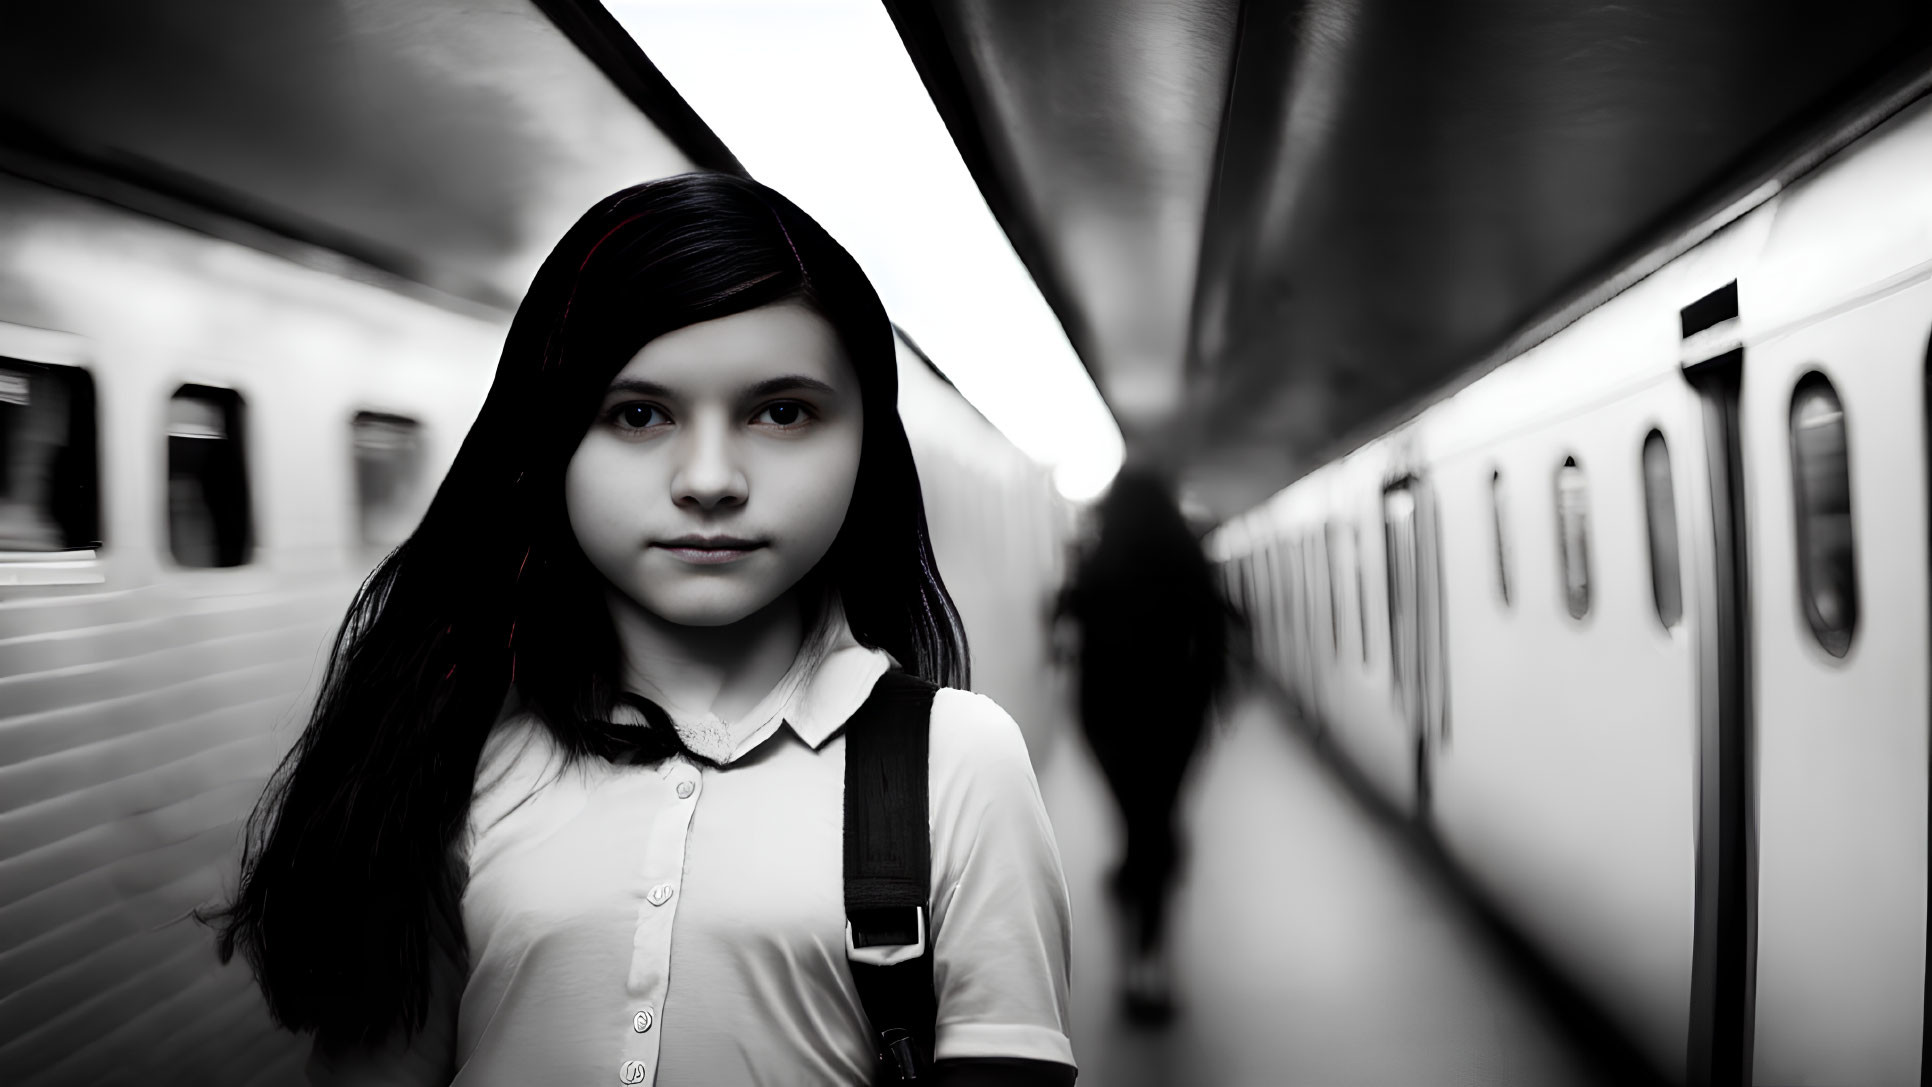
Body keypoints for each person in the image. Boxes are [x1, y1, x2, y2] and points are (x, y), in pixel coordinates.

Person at [209, 174, 1076, 1086]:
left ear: (869, 446)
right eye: (638, 414)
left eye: (783, 412)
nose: (709, 479)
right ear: (551, 443)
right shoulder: (452, 746)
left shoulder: (959, 762)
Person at [1055, 467, 1230, 1025]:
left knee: (1138, 819)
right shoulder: (1185, 556)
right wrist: (1211, 699)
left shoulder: (1097, 561)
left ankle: (1139, 942)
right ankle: (1148, 963)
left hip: (1106, 717)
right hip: (1174, 715)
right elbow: (1215, 630)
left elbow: (1062, 623)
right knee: (1157, 819)